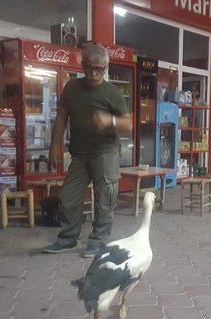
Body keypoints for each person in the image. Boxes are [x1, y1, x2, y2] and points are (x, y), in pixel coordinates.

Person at [43, 44, 131, 257]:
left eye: (99, 69)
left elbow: (128, 125)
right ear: (82, 65)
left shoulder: (112, 93)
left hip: (105, 152)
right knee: (68, 196)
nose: (94, 73)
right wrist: (55, 144)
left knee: (105, 198)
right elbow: (62, 116)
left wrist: (109, 120)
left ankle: (98, 241)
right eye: (89, 67)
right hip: (80, 153)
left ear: (106, 67)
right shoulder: (72, 88)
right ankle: (68, 239)